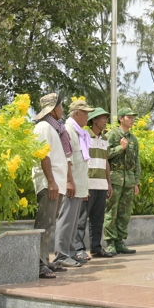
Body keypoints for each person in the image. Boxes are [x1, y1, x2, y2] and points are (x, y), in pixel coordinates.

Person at [32, 93, 76, 279]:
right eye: (61, 106)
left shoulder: (54, 128)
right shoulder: (43, 127)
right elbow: (43, 155)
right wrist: (50, 181)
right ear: (52, 109)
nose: (63, 110)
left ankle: (45, 261)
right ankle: (39, 264)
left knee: (50, 223)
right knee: (44, 224)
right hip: (48, 183)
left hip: (56, 183)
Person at [56, 98, 93, 266]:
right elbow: (67, 159)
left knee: (73, 222)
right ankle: (62, 256)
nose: (87, 117)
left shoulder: (80, 133)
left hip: (78, 185)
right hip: (70, 185)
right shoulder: (69, 131)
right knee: (66, 221)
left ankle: (70, 254)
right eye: (85, 113)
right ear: (76, 113)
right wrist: (69, 182)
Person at [103, 106, 141, 256]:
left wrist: (136, 182)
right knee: (111, 211)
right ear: (120, 118)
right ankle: (110, 242)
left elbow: (136, 161)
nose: (132, 120)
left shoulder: (133, 139)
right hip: (114, 178)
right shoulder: (112, 135)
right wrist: (120, 147)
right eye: (129, 117)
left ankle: (120, 242)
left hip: (129, 180)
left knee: (124, 213)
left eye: (133, 117)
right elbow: (105, 155)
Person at [74, 107, 111, 259]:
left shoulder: (105, 139)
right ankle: (78, 249)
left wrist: (109, 183)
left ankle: (96, 247)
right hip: (88, 185)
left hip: (101, 185)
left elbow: (106, 162)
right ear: (95, 120)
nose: (105, 121)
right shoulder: (84, 136)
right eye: (103, 118)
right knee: (81, 219)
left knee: (98, 220)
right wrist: (83, 184)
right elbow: (81, 161)